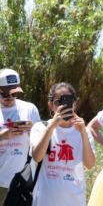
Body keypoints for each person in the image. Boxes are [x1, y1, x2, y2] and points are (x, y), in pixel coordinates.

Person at [30, 82, 95, 206]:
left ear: (74, 104)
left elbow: (90, 164)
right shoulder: (40, 127)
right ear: (50, 105)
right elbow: (37, 157)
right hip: (44, 201)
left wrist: (83, 134)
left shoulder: (84, 132)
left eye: (67, 101)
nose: (62, 105)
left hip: (74, 201)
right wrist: (51, 127)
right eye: (57, 102)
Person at [0, 68, 40, 204]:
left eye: (15, 93)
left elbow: (42, 143)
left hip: (23, 182)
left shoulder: (30, 109)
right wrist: (2, 136)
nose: (10, 97)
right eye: (5, 94)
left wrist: (32, 131)